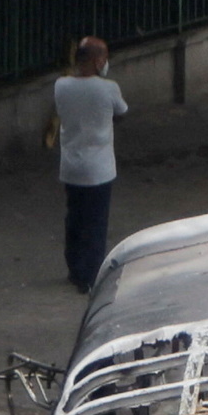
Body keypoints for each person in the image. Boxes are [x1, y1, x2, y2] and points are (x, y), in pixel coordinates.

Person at [50, 36, 129, 286]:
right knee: (95, 223)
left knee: (74, 219)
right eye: (104, 57)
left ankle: (75, 269)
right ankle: (91, 275)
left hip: (71, 166)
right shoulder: (108, 88)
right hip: (99, 169)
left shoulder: (61, 85)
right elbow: (121, 112)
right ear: (97, 61)